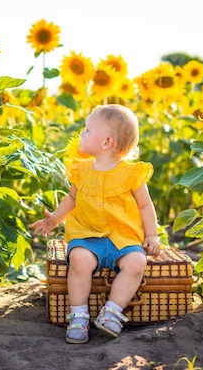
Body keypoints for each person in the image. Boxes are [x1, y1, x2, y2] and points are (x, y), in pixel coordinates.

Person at [31, 104, 161, 344]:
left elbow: (145, 205)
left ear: (106, 143)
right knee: (79, 259)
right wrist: (55, 219)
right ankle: (79, 316)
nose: (81, 134)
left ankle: (112, 311)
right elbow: (72, 199)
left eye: (87, 130)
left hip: (123, 237)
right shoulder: (81, 170)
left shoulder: (132, 174)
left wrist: (151, 235)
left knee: (136, 262)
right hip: (87, 235)